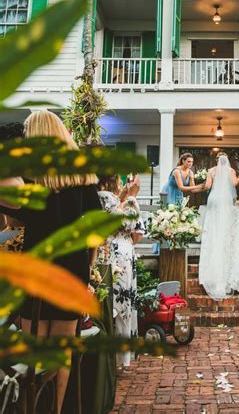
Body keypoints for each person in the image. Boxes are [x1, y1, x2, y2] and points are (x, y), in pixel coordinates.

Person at [0, 110, 101, 411]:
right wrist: (91, 265)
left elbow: (12, 219)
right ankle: (56, 409)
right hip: (73, 266)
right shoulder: (82, 172)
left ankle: (32, 407)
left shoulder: (29, 173)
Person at [96, 173, 144, 368]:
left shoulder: (107, 199)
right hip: (121, 252)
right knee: (120, 303)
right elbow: (137, 234)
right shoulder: (107, 198)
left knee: (112, 300)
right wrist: (131, 197)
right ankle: (119, 357)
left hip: (111, 249)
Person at [196, 153, 239, 299]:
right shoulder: (231, 171)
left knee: (214, 228)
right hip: (227, 200)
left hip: (214, 200)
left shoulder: (211, 171)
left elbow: (208, 186)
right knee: (226, 226)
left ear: (217, 160)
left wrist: (199, 185)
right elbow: (234, 183)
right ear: (227, 160)